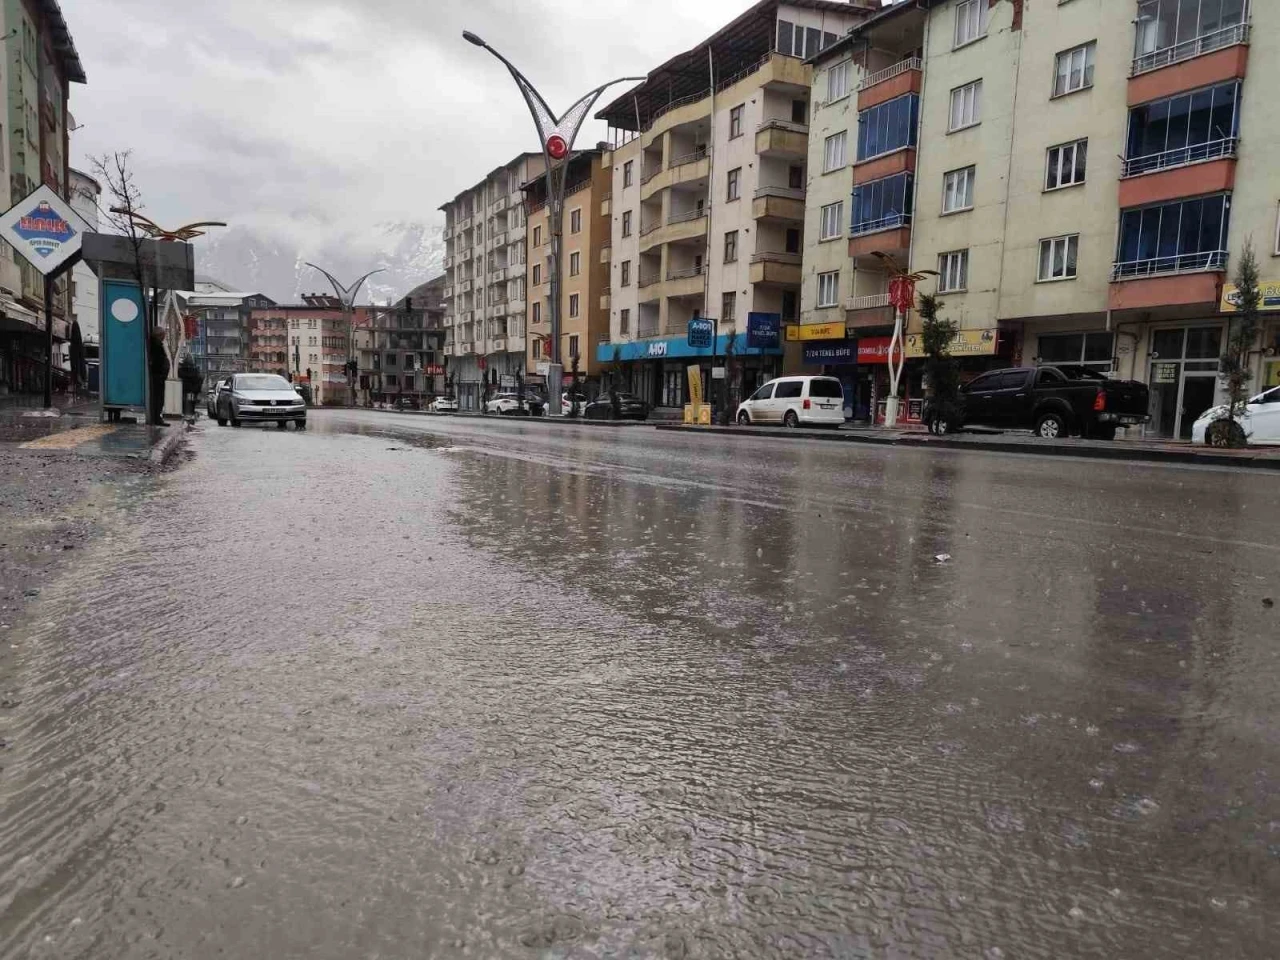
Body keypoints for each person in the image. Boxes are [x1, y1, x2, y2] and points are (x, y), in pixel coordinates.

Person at [148, 326, 170, 426]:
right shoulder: (156, 346)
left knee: (158, 397)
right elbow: (158, 361)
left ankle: (156, 417)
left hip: (158, 375)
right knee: (158, 398)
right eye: (163, 335)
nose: (164, 337)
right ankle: (156, 418)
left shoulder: (155, 344)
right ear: (159, 335)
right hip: (158, 376)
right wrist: (162, 373)